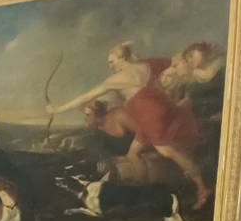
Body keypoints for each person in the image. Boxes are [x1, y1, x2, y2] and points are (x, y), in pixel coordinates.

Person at [48, 42, 209, 208]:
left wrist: (57, 109)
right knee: (133, 153)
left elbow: (85, 96)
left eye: (112, 61)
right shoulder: (143, 65)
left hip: (149, 115)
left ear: (122, 58)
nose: (111, 66)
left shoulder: (119, 78)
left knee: (167, 150)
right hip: (155, 109)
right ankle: (144, 189)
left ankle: (201, 188)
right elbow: (171, 66)